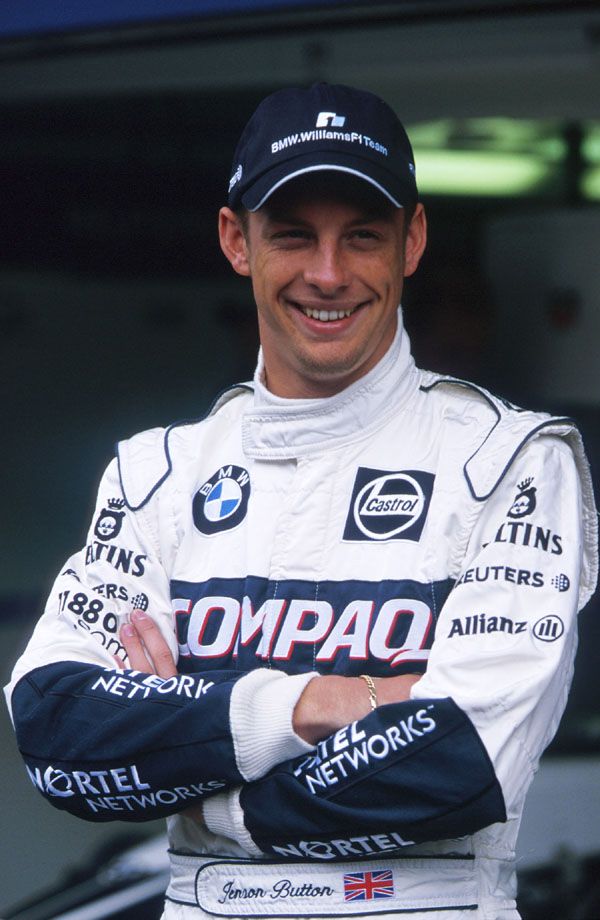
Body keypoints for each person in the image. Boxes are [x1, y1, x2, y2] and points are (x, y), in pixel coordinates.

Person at [5, 83, 598, 920]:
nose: (328, 274)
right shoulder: (157, 474)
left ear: (412, 241)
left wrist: (201, 772)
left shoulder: (513, 461)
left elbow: (462, 761)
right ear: (235, 240)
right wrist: (321, 705)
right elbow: (56, 729)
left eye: (362, 236)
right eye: (292, 234)